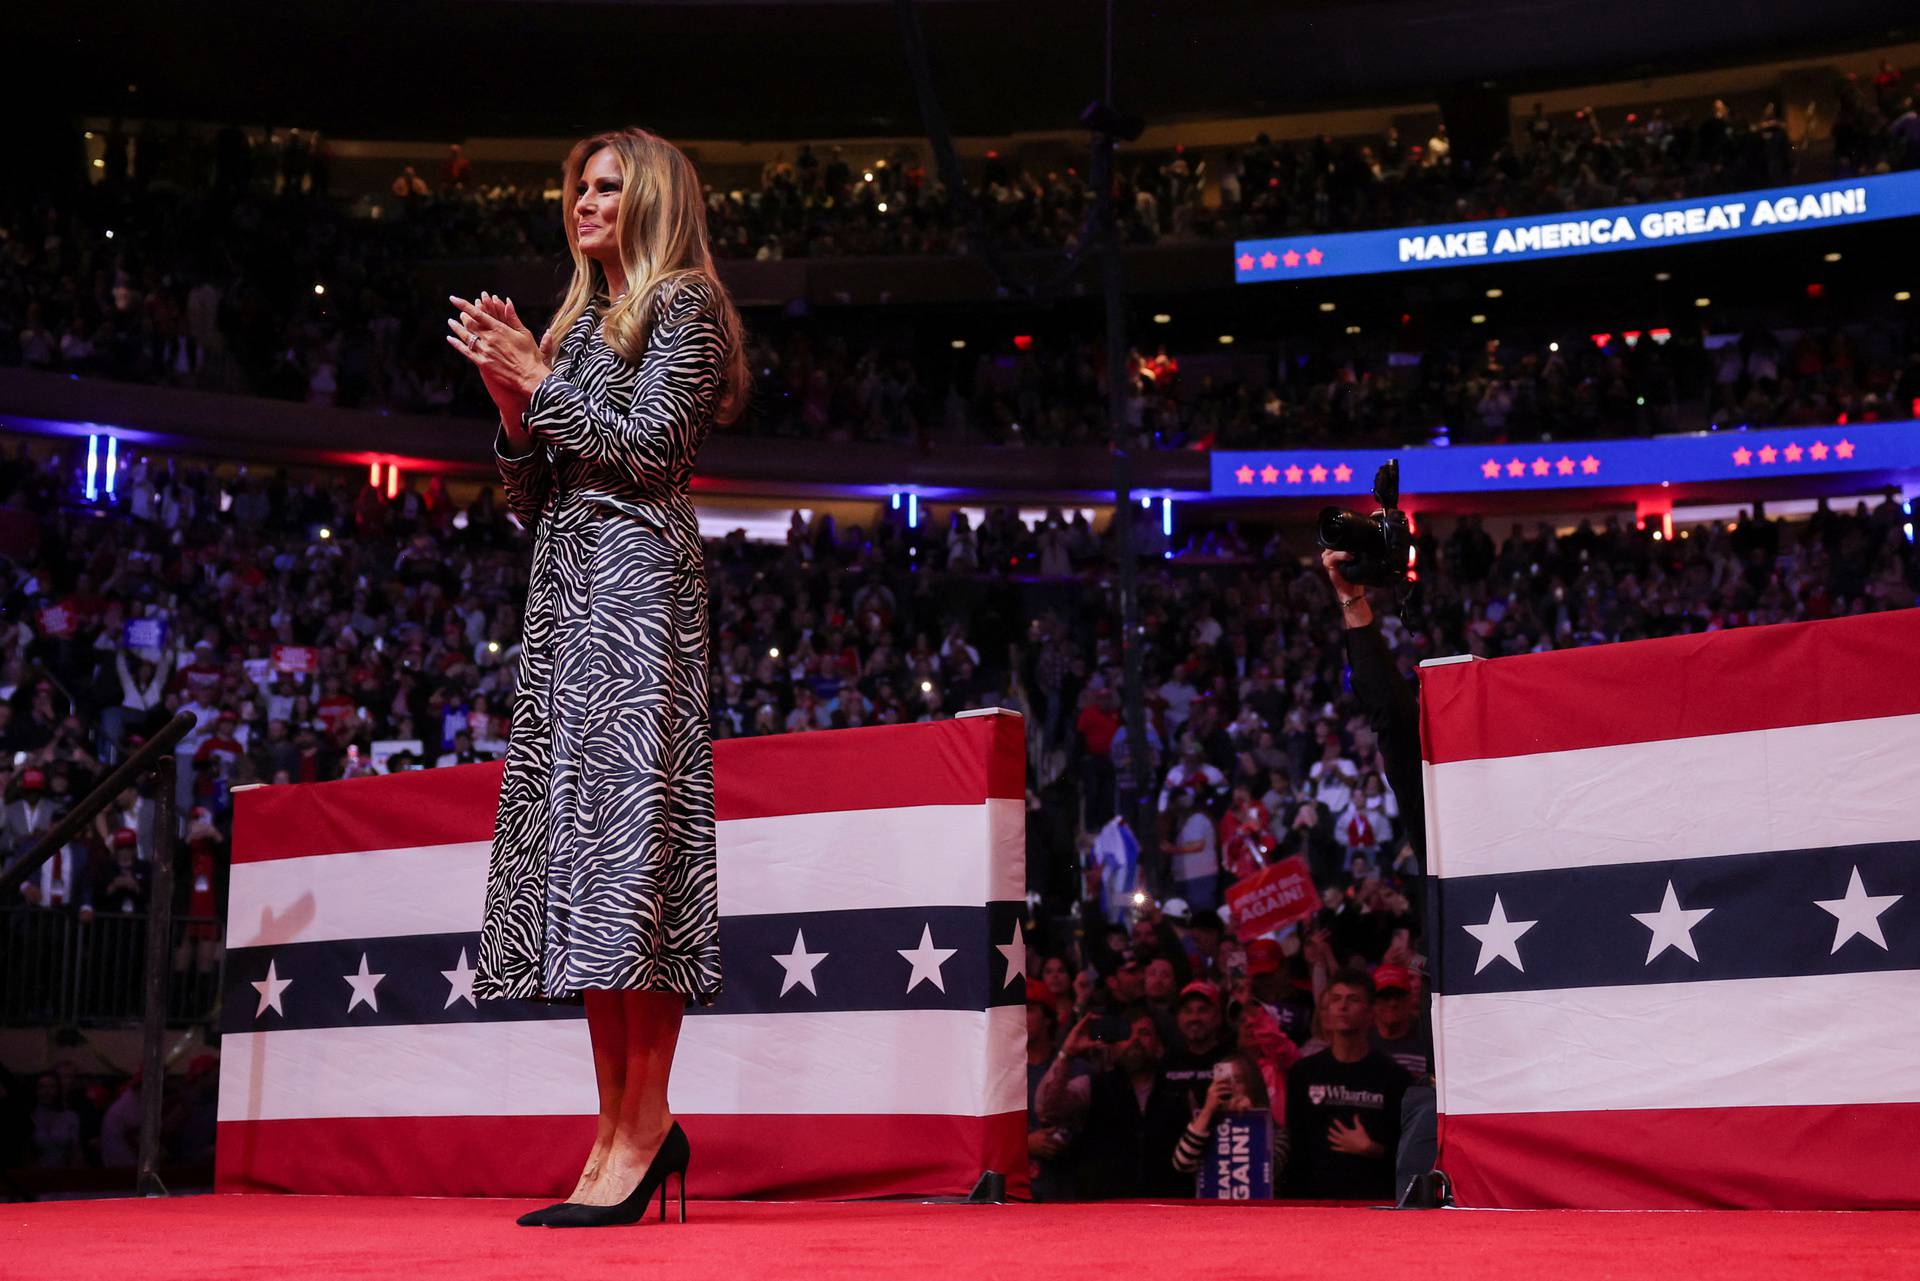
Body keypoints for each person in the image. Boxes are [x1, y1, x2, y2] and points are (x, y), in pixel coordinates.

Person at [452, 126, 750, 1229]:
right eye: (578, 184)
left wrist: (540, 379)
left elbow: (657, 450)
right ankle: (614, 1129)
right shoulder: (579, 324)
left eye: (607, 185)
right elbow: (531, 497)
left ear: (655, 199)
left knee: (636, 863)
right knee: (583, 870)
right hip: (564, 600)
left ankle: (647, 1121)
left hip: (638, 603)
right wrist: (511, 408)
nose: (583, 199)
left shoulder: (685, 309)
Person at [1281, 967, 1411, 1200]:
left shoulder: (1394, 1077)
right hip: (1312, 1203)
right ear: (1327, 1010)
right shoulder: (1303, 1073)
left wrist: (1372, 1149)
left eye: (1353, 1000)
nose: (1342, 1007)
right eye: (1336, 999)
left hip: (1374, 1201)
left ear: (1370, 1012)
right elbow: (1295, 1146)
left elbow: (1408, 1152)